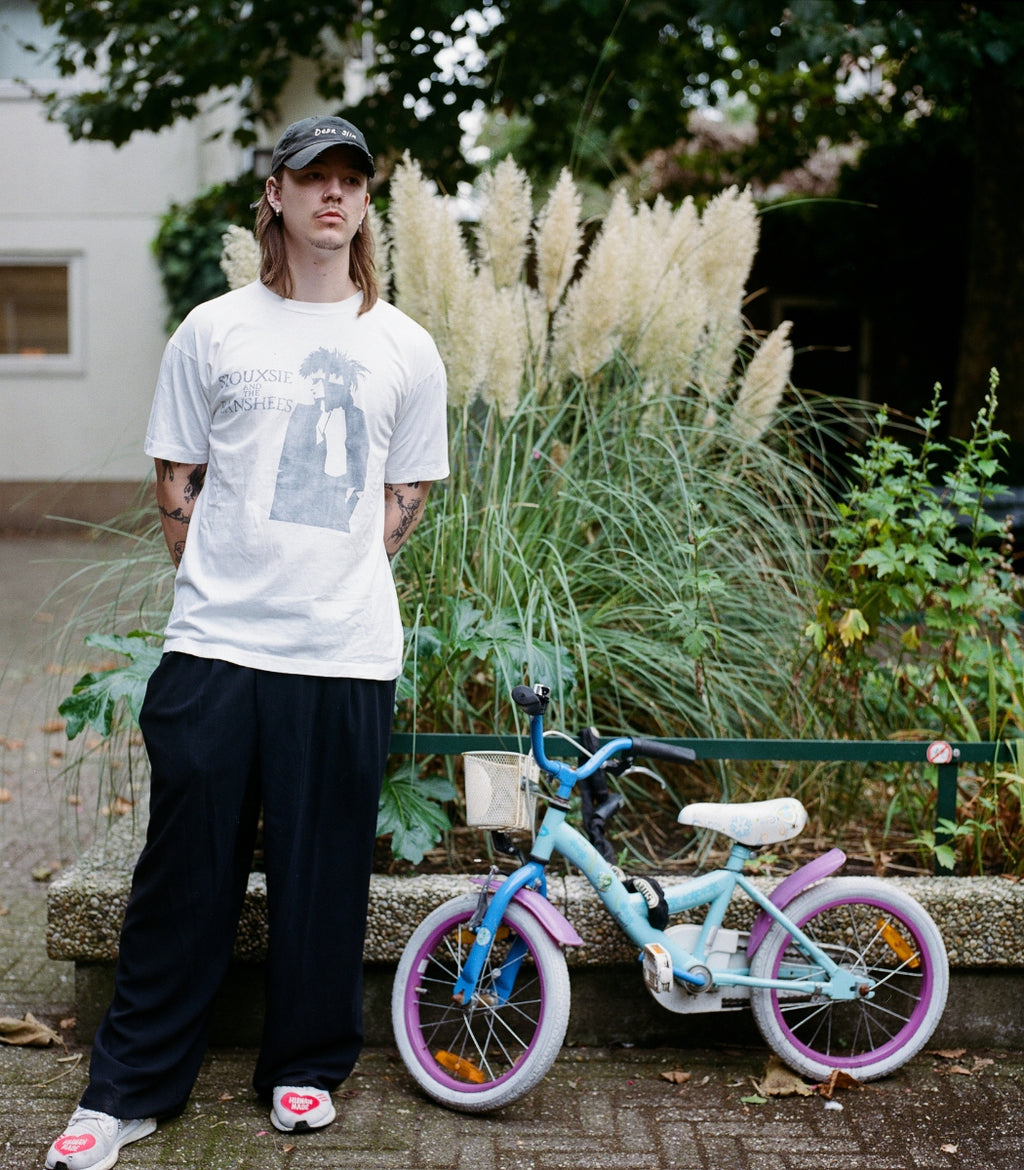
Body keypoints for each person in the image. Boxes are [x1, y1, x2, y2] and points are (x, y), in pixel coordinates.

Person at [45, 114, 449, 1170]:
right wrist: (223, 584)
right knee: (185, 874)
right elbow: (176, 476)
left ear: (366, 202)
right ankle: (128, 1088)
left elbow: (404, 491)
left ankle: (307, 1068)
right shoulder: (213, 330)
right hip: (216, 647)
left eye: (351, 181)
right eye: (312, 176)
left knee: (325, 876)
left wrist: (330, 582)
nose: (333, 196)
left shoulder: (403, 344)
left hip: (343, 653)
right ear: (274, 193)